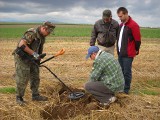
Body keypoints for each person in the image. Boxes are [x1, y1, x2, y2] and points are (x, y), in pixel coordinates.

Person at [13, 21, 55, 105]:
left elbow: (39, 48)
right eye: (48, 32)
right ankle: (19, 98)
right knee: (23, 77)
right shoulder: (32, 33)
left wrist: (38, 59)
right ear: (43, 28)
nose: (49, 34)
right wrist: (34, 54)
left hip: (32, 58)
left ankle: (35, 95)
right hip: (22, 58)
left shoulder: (42, 36)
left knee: (35, 76)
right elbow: (21, 45)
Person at [116, 7, 141, 94]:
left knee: (126, 72)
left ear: (126, 14)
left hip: (128, 54)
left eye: (121, 16)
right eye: (119, 16)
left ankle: (126, 90)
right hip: (120, 53)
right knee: (121, 71)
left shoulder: (133, 25)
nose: (120, 18)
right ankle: (121, 87)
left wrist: (136, 49)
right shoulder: (121, 25)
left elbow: (137, 40)